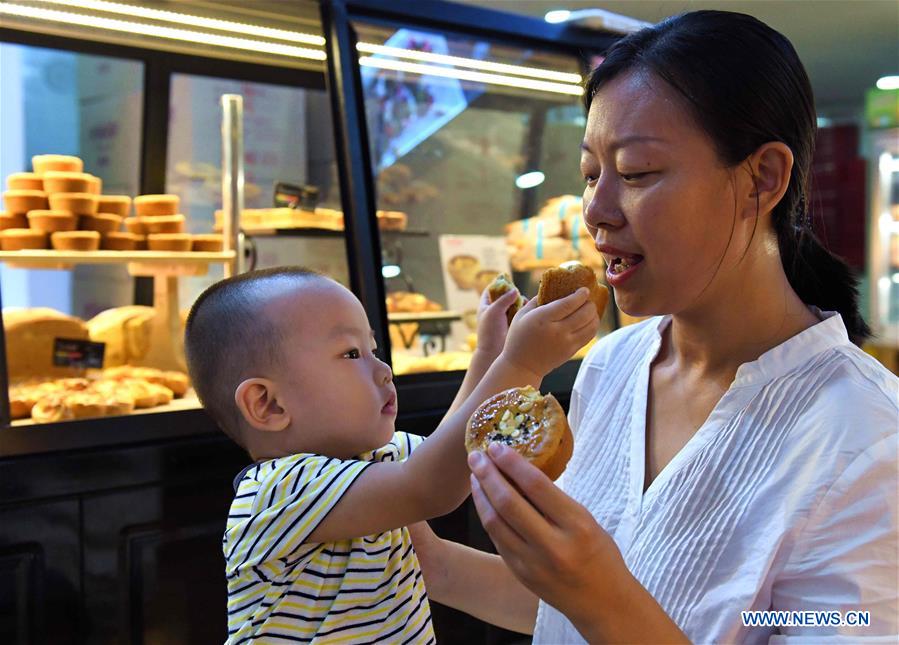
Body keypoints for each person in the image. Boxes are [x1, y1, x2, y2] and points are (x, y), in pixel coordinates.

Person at [410, 10, 899, 644]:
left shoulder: (865, 438)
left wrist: (603, 600)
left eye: (636, 173)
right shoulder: (611, 365)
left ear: (765, 177)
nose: (595, 211)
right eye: (590, 175)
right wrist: (432, 561)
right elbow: (564, 610)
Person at [183, 267, 599, 643]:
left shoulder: (369, 459)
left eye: (374, 349)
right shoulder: (279, 491)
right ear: (268, 405)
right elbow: (428, 485)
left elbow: (449, 444)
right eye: (351, 354)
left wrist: (490, 353)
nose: (384, 370)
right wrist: (522, 361)